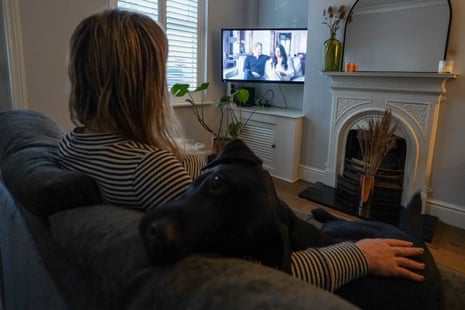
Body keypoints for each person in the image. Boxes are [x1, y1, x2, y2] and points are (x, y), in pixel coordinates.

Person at [58, 9, 425, 293]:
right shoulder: (150, 168)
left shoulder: (70, 144)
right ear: (142, 83)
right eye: (161, 71)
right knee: (373, 239)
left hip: (280, 219)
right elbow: (258, 268)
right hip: (299, 253)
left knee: (347, 224)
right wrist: (359, 256)